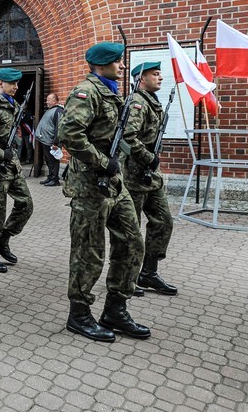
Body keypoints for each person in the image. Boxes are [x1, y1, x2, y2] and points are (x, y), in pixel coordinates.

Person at [58, 42, 150, 342]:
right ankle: (79, 314)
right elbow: (69, 134)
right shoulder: (87, 92)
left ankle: (115, 309)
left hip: (113, 182)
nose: (122, 67)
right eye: (118, 62)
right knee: (89, 251)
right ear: (103, 64)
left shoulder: (113, 92)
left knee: (133, 241)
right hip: (90, 185)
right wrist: (101, 161)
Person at [124, 62, 177, 296]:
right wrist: (147, 157)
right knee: (130, 229)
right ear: (141, 78)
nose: (160, 78)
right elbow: (127, 136)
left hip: (151, 176)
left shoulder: (153, 103)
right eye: (155, 74)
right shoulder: (137, 102)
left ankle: (149, 272)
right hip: (135, 175)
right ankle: (126, 277)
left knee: (163, 221)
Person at [0, 68, 34, 273]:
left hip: (12, 167)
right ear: (0, 83)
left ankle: (3, 239)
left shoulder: (15, 105)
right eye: (12, 84)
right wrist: (1, 153)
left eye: (18, 84)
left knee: (26, 205)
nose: (16, 87)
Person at [36, 93, 65, 186]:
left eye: (48, 100)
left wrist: (56, 143)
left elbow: (59, 128)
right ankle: (50, 176)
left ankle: (55, 179)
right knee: (48, 160)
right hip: (46, 140)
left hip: (52, 142)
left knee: (53, 160)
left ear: (54, 101)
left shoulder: (58, 110)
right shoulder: (51, 110)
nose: (46, 102)